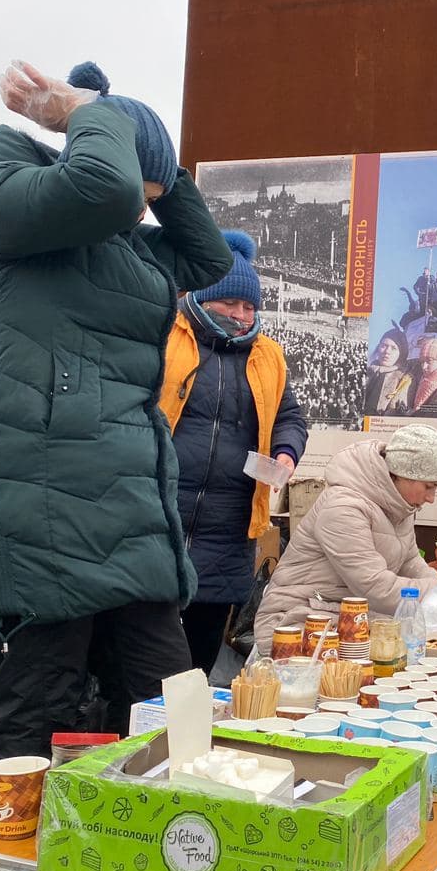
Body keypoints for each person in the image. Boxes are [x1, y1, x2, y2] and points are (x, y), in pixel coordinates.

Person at [0, 59, 232, 871]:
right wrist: (88, 111)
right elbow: (106, 188)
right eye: (145, 176)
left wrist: (169, 171)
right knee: (32, 716)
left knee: (172, 713)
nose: (147, 196)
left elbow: (206, 254)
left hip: (127, 510)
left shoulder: (123, 237)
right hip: (34, 499)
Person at [162, 230, 307, 676]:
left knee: (197, 663)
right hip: (162, 518)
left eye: (249, 307)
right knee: (150, 655)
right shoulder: (167, 337)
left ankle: (183, 742)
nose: (241, 316)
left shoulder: (268, 356)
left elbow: (290, 417)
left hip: (228, 530)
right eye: (230, 304)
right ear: (205, 296)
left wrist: (286, 453)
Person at [253, 424, 437, 651]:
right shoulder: (344, 507)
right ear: (404, 475)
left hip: (342, 617)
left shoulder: (398, 506)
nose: (431, 498)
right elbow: (376, 587)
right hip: (297, 623)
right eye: (429, 486)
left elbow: (411, 563)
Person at [365, 326, 412, 416]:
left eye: (393, 348)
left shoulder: (404, 379)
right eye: (384, 346)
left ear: (401, 354)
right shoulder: (369, 371)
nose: (387, 351)